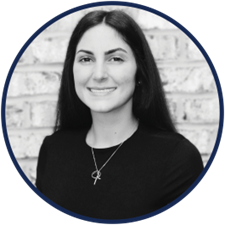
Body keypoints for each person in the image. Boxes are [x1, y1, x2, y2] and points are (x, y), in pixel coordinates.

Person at [35, 9, 204, 220]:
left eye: (115, 59)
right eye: (86, 59)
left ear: (139, 71)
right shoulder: (53, 149)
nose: (98, 75)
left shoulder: (177, 159)